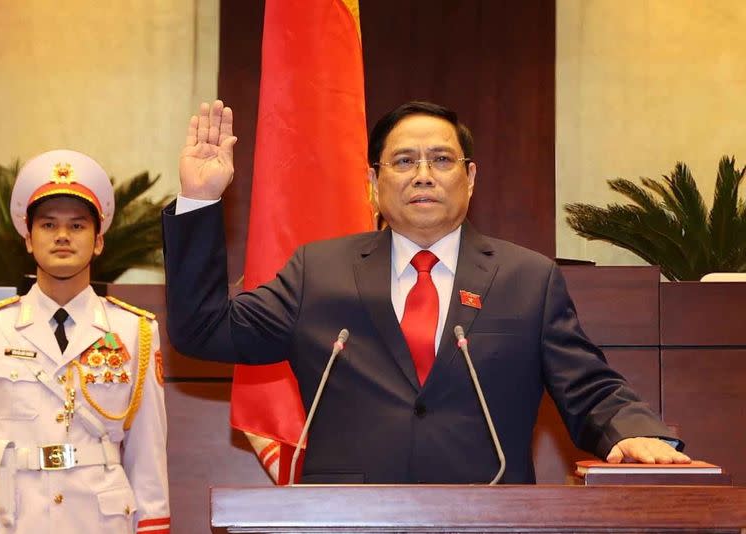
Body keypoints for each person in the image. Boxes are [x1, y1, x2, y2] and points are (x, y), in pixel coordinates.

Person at [162, 100, 689, 484]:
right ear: (373, 181)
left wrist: (635, 432)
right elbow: (205, 331)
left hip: (487, 511)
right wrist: (199, 203)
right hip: (346, 518)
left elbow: (588, 385)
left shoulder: (527, 277)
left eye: (441, 160)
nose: (423, 176)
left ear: (470, 176)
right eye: (403, 161)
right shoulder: (317, 271)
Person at [0, 150, 170, 533]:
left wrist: (153, 524)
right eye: (48, 225)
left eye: (78, 226)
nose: (63, 236)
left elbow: (148, 453)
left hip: (101, 522)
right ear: (28, 240)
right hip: (15, 520)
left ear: (98, 241)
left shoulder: (135, 332)